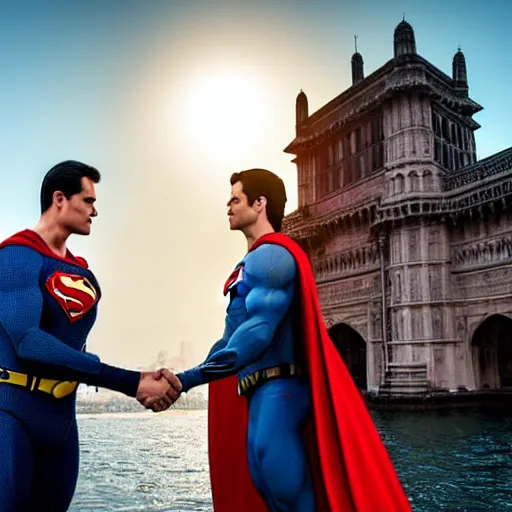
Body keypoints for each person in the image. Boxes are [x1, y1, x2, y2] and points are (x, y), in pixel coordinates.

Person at [156, 168, 413, 512]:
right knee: (267, 490)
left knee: (287, 492)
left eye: (235, 199)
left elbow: (259, 333)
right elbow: (229, 338)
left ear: (260, 203)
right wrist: (180, 378)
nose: (228, 206)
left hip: (281, 390)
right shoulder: (248, 264)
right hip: (257, 394)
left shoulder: (272, 257)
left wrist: (187, 381)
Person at [0, 160, 181, 512]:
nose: (95, 211)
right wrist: (131, 381)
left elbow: (69, 343)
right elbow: (28, 342)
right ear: (59, 199)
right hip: (13, 415)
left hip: (63, 423)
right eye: (88, 200)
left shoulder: (80, 270)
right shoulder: (15, 256)